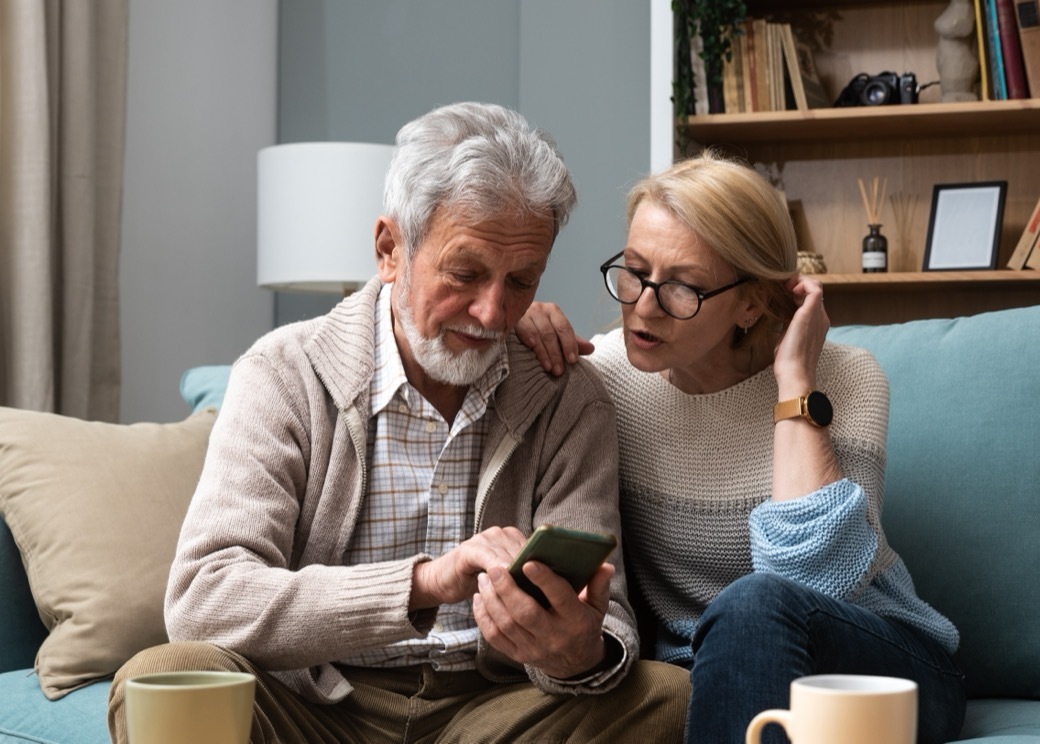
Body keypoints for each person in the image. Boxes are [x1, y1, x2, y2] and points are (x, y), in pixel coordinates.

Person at [107, 102, 689, 744]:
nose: (493, 312)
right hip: (320, 708)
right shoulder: (282, 374)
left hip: (492, 711)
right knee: (164, 676)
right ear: (390, 249)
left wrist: (580, 654)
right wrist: (424, 583)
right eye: (465, 273)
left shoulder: (565, 395)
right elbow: (204, 598)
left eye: (521, 280)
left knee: (668, 698)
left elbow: (609, 623)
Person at [517, 152, 966, 744]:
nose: (643, 306)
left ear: (752, 303)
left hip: (881, 669)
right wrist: (517, 328)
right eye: (634, 271)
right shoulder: (604, 382)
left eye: (682, 287)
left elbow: (817, 579)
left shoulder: (849, 379)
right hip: (710, 673)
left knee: (752, 604)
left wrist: (795, 383)